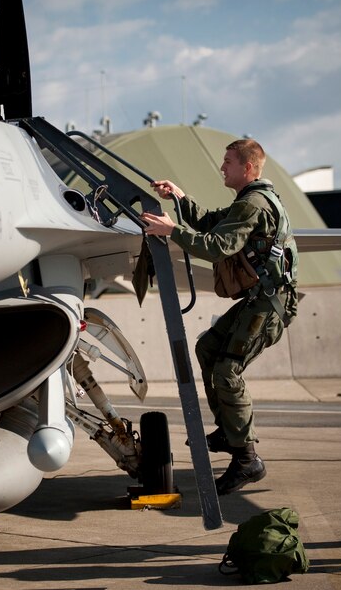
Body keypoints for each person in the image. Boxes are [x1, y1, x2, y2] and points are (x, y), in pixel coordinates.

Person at [140, 139, 298, 495]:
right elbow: (213, 222)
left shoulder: (254, 204)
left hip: (269, 305)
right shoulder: (248, 202)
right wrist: (179, 199)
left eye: (228, 162)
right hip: (260, 300)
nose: (222, 167)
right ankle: (230, 433)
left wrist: (172, 231)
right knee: (208, 348)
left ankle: (246, 460)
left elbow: (216, 247)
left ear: (248, 168)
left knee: (227, 370)